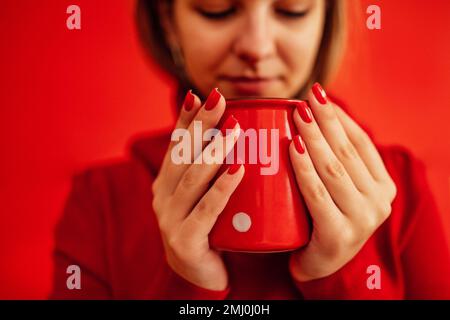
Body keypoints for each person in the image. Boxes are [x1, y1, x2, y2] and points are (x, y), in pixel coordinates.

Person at [50, 0, 450, 299]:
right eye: (217, 8)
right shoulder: (101, 201)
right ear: (168, 22)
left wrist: (342, 276)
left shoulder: (401, 186)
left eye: (292, 10)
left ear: (324, 20)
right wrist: (190, 287)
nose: (256, 47)